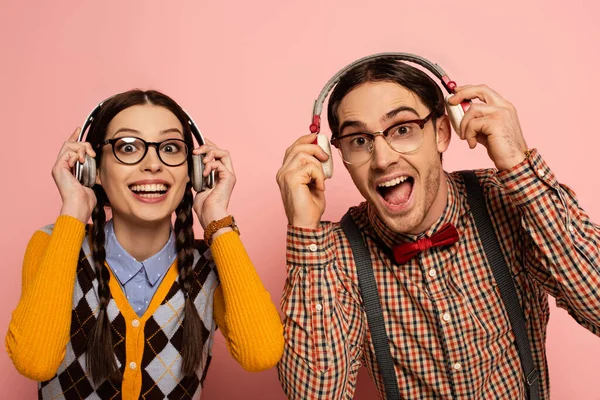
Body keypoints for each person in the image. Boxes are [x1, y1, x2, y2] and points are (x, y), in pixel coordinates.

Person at [276, 56, 600, 399]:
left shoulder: (507, 202)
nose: (383, 159)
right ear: (334, 155)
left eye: (402, 129)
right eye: (359, 140)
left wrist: (519, 167)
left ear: (443, 132)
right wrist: (304, 231)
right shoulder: (334, 256)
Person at [6, 89, 283, 400]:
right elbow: (35, 361)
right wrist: (73, 210)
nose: (153, 164)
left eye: (170, 147)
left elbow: (261, 353)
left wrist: (216, 219)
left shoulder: (214, 262)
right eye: (127, 147)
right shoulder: (51, 244)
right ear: (92, 169)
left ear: (193, 172)